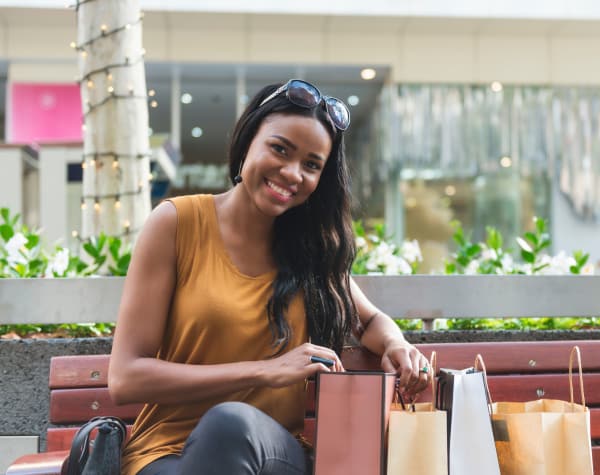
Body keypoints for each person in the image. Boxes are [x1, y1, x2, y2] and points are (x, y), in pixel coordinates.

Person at [109, 79, 431, 475]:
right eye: (280, 149)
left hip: (270, 455)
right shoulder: (176, 224)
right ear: (247, 142)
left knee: (231, 425)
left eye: (312, 165)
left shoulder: (312, 253)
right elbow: (125, 378)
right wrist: (266, 369)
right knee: (222, 430)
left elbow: (369, 321)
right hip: (163, 453)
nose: (292, 173)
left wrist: (396, 344)